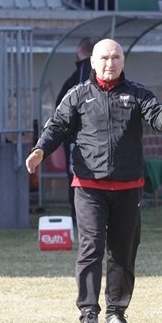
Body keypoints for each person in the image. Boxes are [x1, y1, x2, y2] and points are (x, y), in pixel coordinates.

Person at [26, 39, 162, 323]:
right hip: (88, 186)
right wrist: (39, 151)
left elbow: (157, 116)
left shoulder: (138, 94)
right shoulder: (77, 95)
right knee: (91, 247)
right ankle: (88, 313)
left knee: (123, 251)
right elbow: (56, 127)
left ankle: (116, 312)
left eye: (116, 57)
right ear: (93, 63)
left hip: (128, 186)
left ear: (123, 61)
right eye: (104, 58)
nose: (110, 63)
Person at [54, 37, 95, 220]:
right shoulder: (92, 75)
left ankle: (81, 217)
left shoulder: (82, 75)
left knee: (78, 178)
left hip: (80, 139)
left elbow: (64, 109)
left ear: (80, 51)